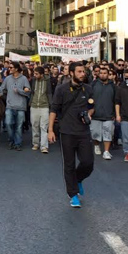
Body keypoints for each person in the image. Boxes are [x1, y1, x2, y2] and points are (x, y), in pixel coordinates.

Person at [48, 62, 94, 208]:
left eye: (84, 71)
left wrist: (88, 114)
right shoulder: (61, 89)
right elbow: (54, 109)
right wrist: (50, 130)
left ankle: (78, 179)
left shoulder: (88, 89)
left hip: (84, 132)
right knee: (69, 165)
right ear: (72, 73)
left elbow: (92, 107)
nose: (82, 74)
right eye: (79, 71)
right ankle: (73, 194)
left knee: (88, 163)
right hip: (66, 132)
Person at [0, 62, 31, 151]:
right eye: (9, 67)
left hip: (21, 106)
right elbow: (2, 89)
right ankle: (11, 140)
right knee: (8, 123)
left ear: (16, 69)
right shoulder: (7, 79)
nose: (9, 69)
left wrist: (19, 91)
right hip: (10, 106)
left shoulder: (24, 79)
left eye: (11, 67)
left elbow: (28, 92)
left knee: (19, 126)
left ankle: (17, 143)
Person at [90, 67, 116, 160]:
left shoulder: (113, 85)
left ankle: (106, 151)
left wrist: (115, 114)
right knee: (95, 133)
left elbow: (116, 100)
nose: (103, 75)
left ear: (108, 74)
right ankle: (96, 145)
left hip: (108, 115)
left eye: (105, 73)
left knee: (108, 133)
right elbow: (89, 98)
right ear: (98, 74)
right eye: (101, 73)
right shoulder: (93, 85)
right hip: (95, 114)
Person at [30, 66, 52, 154]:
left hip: (44, 106)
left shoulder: (48, 81)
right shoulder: (33, 80)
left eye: (36, 74)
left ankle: (44, 146)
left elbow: (49, 93)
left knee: (44, 127)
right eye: (34, 73)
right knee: (35, 126)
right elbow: (32, 92)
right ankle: (35, 143)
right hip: (34, 105)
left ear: (42, 74)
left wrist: (51, 105)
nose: (34, 75)